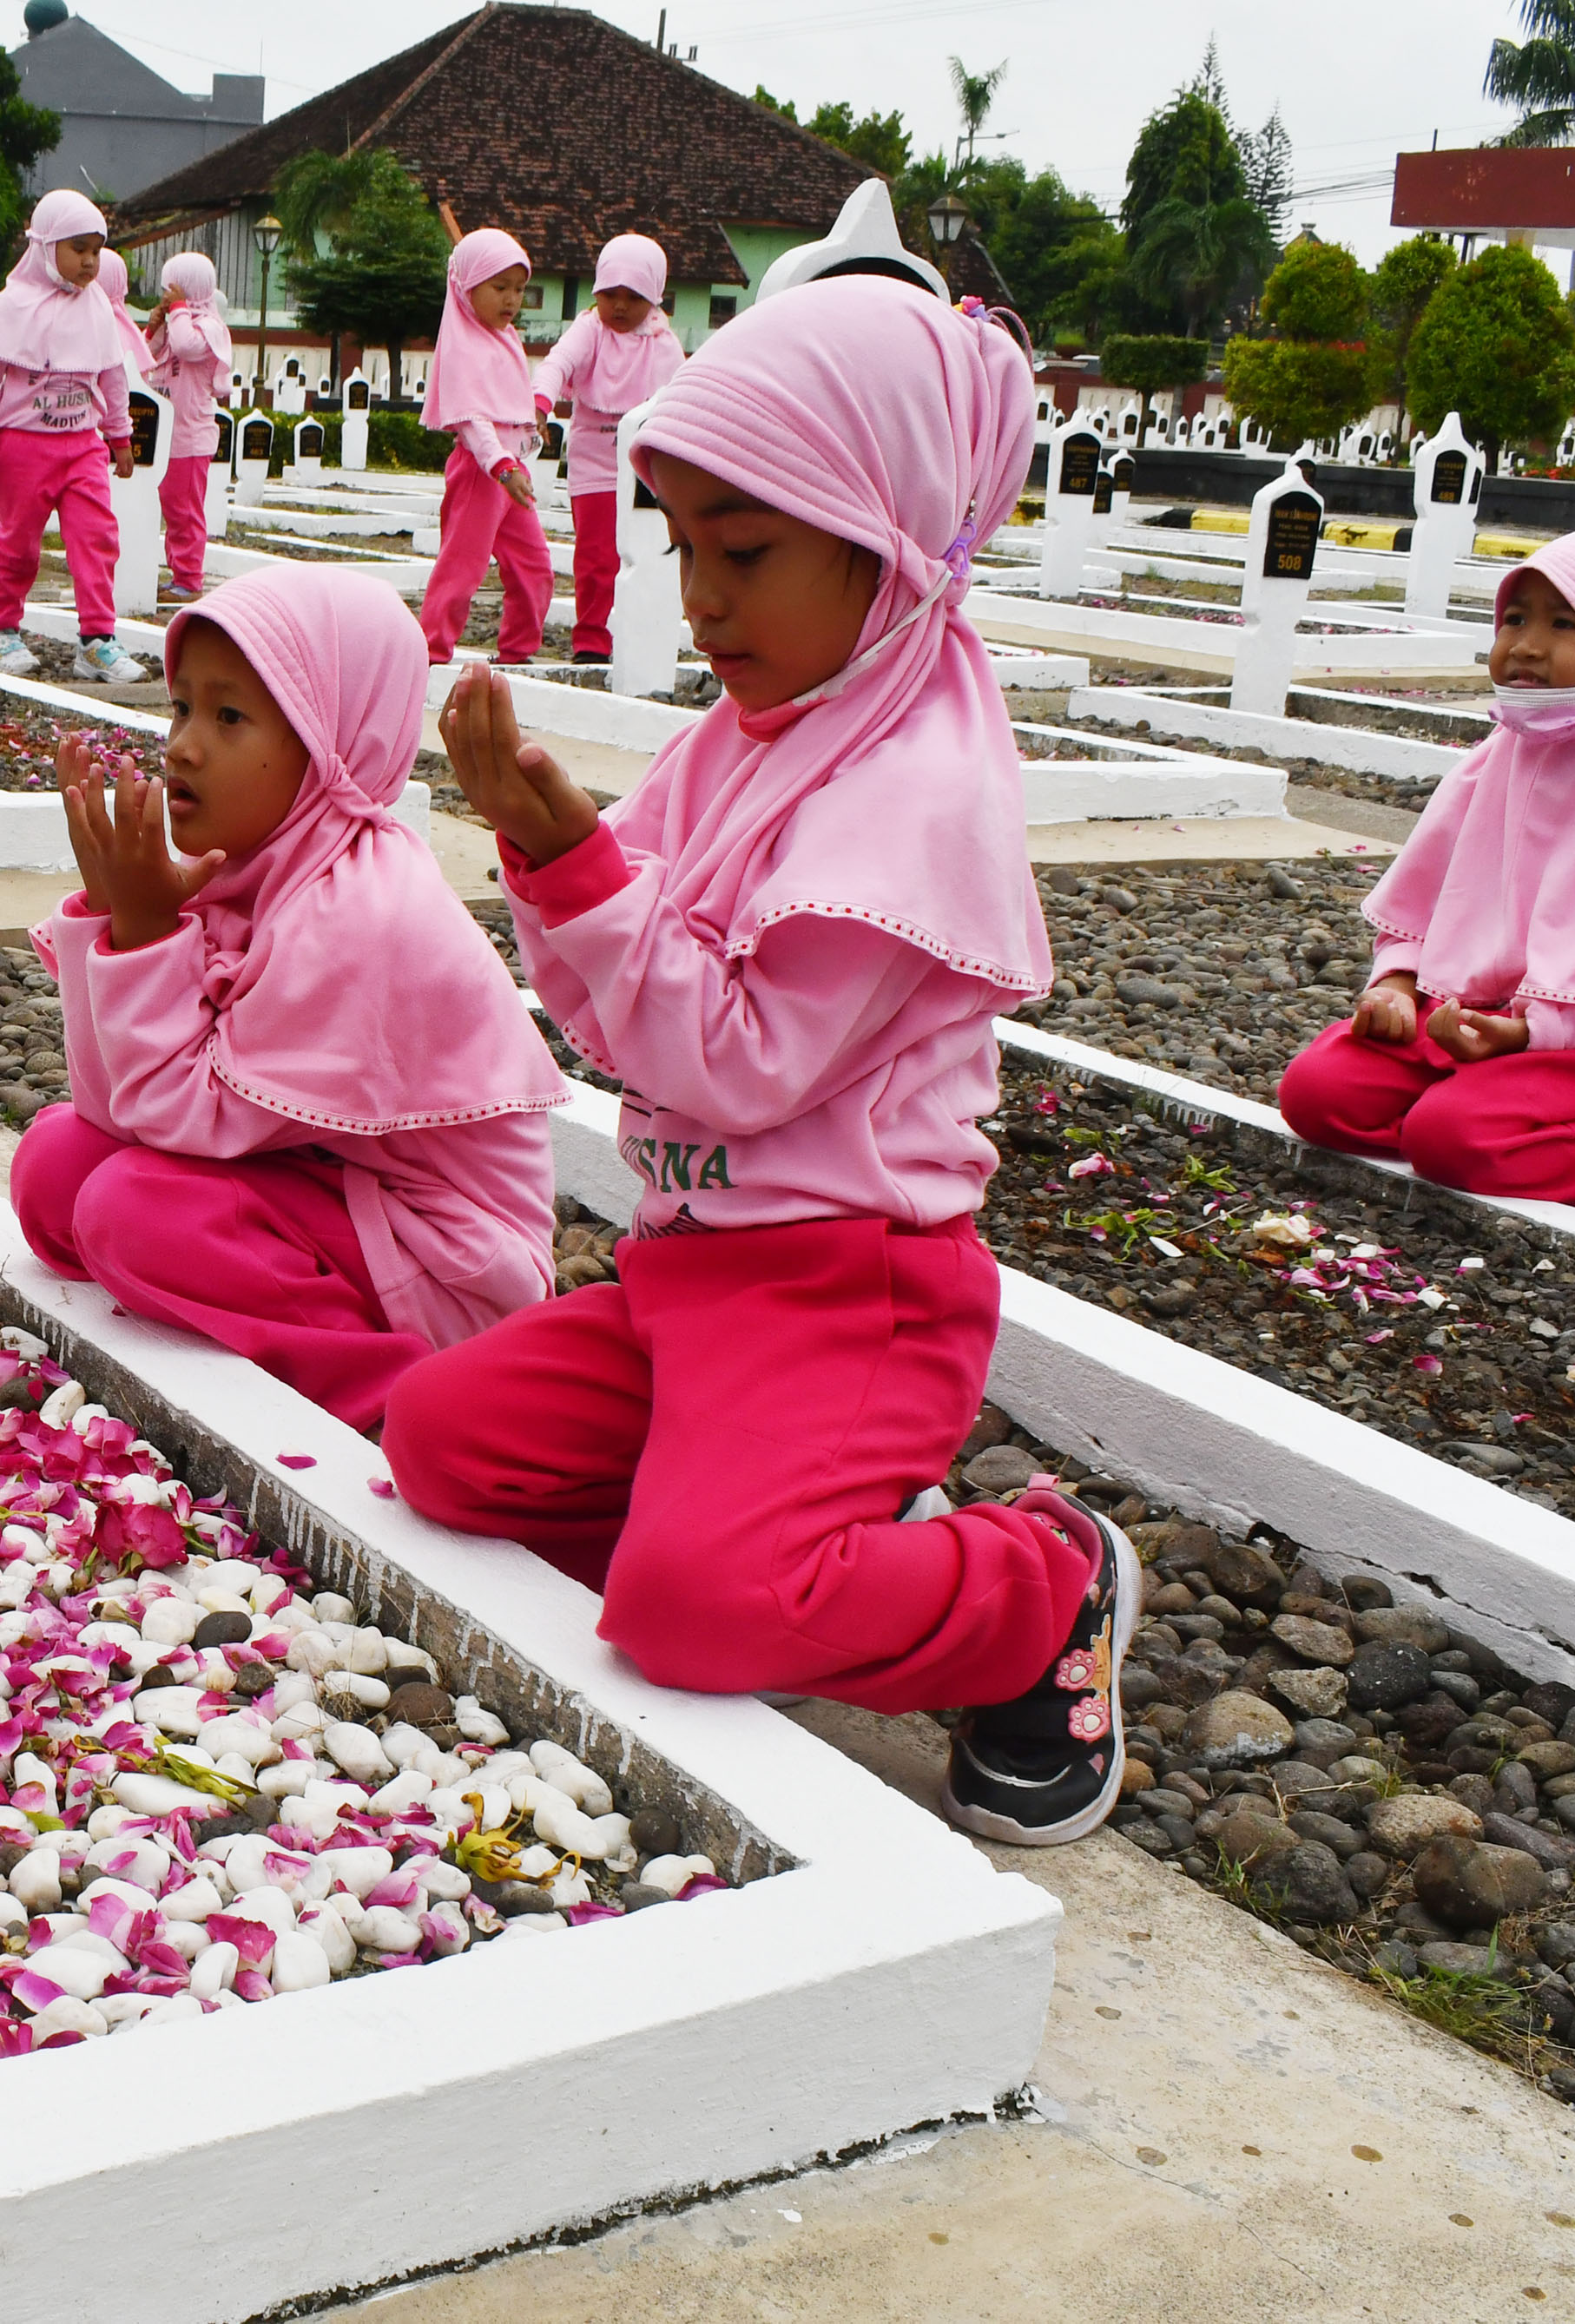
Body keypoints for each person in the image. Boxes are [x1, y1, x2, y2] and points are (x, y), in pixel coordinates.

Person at [392, 277, 1137, 1850]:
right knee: (443, 1443)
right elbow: (609, 1021)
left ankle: (1037, 1586)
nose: (705, 600)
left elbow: (731, 1066)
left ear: (889, 533)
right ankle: (806, 1524)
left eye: (747, 550)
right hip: (691, 1273)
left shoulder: (912, 794)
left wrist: (579, 871)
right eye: (680, 545)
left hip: (846, 1286)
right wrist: (560, 866)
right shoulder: (743, 738)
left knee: (693, 1610)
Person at [13, 563, 566, 1432]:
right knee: (55, 1163)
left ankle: (393, 1399)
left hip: (446, 1268)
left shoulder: (359, 907)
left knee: (131, 1210)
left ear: (329, 739)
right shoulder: (253, 868)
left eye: (229, 716)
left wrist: (146, 930)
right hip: (328, 1193)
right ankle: (245, 1307)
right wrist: (117, 919)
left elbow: (170, 1117)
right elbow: (113, 1105)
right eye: (181, 707)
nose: (184, 745)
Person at [1280, 527, 1575, 1233]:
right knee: (1315, 1092)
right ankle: (1501, 1119)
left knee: (1451, 1139)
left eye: (1565, 623)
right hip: (1453, 1011)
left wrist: (1525, 1033)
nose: (1525, 645)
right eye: (1514, 619)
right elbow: (1421, 905)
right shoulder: (1494, 758)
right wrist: (1398, 985)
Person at [0, 189, 145, 686]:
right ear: (46, 246)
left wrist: (120, 436)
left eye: (96, 251)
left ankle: (98, 640)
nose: (90, 262)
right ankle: (0, 631)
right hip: (22, 444)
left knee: (97, 537)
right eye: (78, 249)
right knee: (19, 543)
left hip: (83, 444)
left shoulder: (97, 310)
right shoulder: (12, 304)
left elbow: (111, 376)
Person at [532, 234, 683, 661]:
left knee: (649, 548)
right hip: (594, 460)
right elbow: (557, 364)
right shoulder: (589, 329)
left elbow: (681, 394)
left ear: (654, 297)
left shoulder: (663, 342)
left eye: (633, 297)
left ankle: (640, 631)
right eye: (609, 294)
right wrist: (541, 403)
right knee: (597, 554)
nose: (619, 307)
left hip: (644, 461)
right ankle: (592, 640)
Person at [417, 227, 552, 666]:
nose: (512, 300)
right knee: (463, 566)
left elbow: (507, 400)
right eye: (499, 288)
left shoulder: (505, 338)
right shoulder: (463, 344)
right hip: (484, 472)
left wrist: (529, 425)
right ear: (467, 286)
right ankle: (431, 650)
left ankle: (517, 652)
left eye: (519, 289)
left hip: (511, 470)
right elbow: (473, 419)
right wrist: (503, 467)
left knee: (533, 563)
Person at [148, 252, 233, 605]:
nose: (167, 295)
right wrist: (154, 326)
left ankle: (189, 575)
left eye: (174, 288)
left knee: (185, 510)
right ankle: (177, 570)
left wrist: (179, 309)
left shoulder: (209, 327)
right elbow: (146, 357)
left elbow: (185, 345)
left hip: (190, 436)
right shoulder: (176, 322)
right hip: (167, 435)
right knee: (170, 507)